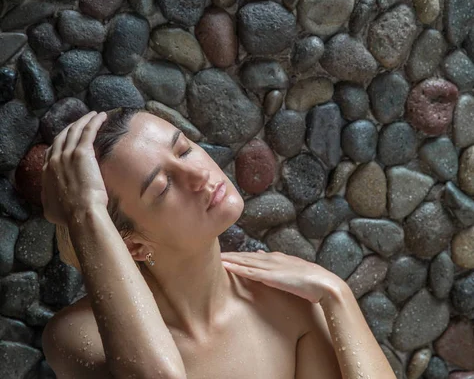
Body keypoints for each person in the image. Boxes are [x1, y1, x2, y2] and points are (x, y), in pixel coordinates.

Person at [41, 108, 396, 379]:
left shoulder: (288, 304)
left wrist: (337, 296)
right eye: (162, 187)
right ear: (131, 246)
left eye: (183, 151)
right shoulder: (79, 335)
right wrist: (86, 211)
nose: (198, 176)